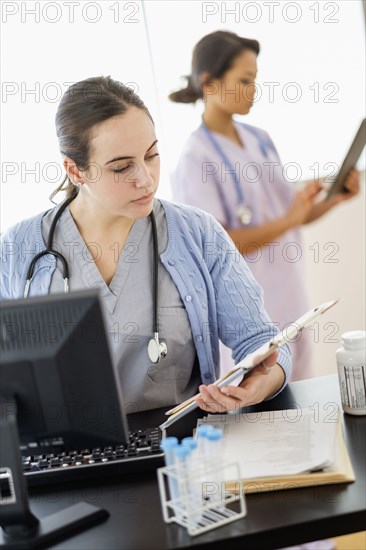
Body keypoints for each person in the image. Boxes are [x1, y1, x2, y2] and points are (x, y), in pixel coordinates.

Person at [0, 76, 291, 415]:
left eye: (151, 155)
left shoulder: (196, 233)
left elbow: (262, 342)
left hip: (183, 443)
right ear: (74, 170)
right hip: (69, 455)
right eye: (122, 167)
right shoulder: (17, 250)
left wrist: (261, 384)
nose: (146, 178)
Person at [169, 30, 360, 381]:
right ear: (209, 83)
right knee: (262, 411)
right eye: (244, 80)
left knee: (302, 399)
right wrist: (291, 217)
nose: (252, 90)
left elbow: (292, 218)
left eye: (255, 80)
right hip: (249, 316)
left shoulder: (260, 139)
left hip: (293, 302)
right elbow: (219, 244)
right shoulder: (195, 159)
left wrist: (333, 200)